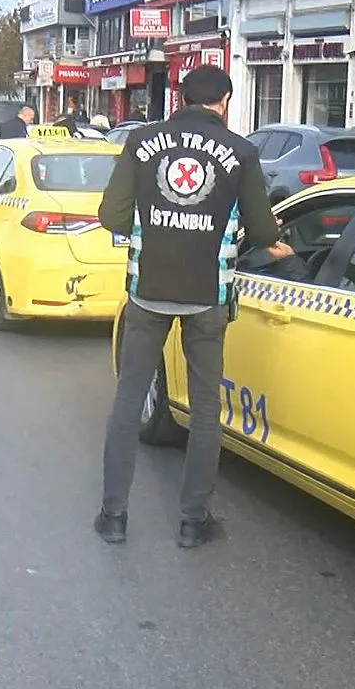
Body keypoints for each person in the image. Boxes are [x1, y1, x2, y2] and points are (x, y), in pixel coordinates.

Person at [93, 65, 295, 548]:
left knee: (128, 399)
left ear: (182, 99)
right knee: (206, 407)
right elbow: (263, 231)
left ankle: (113, 516)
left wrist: (152, 227)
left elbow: (110, 215)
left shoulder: (141, 142)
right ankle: (193, 521)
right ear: (223, 102)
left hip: (148, 290)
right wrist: (276, 247)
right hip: (209, 295)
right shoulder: (242, 151)